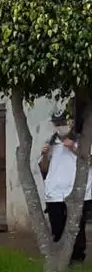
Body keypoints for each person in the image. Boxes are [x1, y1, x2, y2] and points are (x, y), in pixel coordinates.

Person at [39, 109, 92, 264]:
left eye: (62, 123)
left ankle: (77, 260)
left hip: (76, 192)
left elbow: (89, 161)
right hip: (54, 193)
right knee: (57, 228)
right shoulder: (50, 142)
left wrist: (73, 148)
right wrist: (44, 155)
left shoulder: (83, 141)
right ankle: (60, 260)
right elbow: (43, 168)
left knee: (77, 228)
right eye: (56, 124)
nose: (59, 126)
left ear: (69, 123)